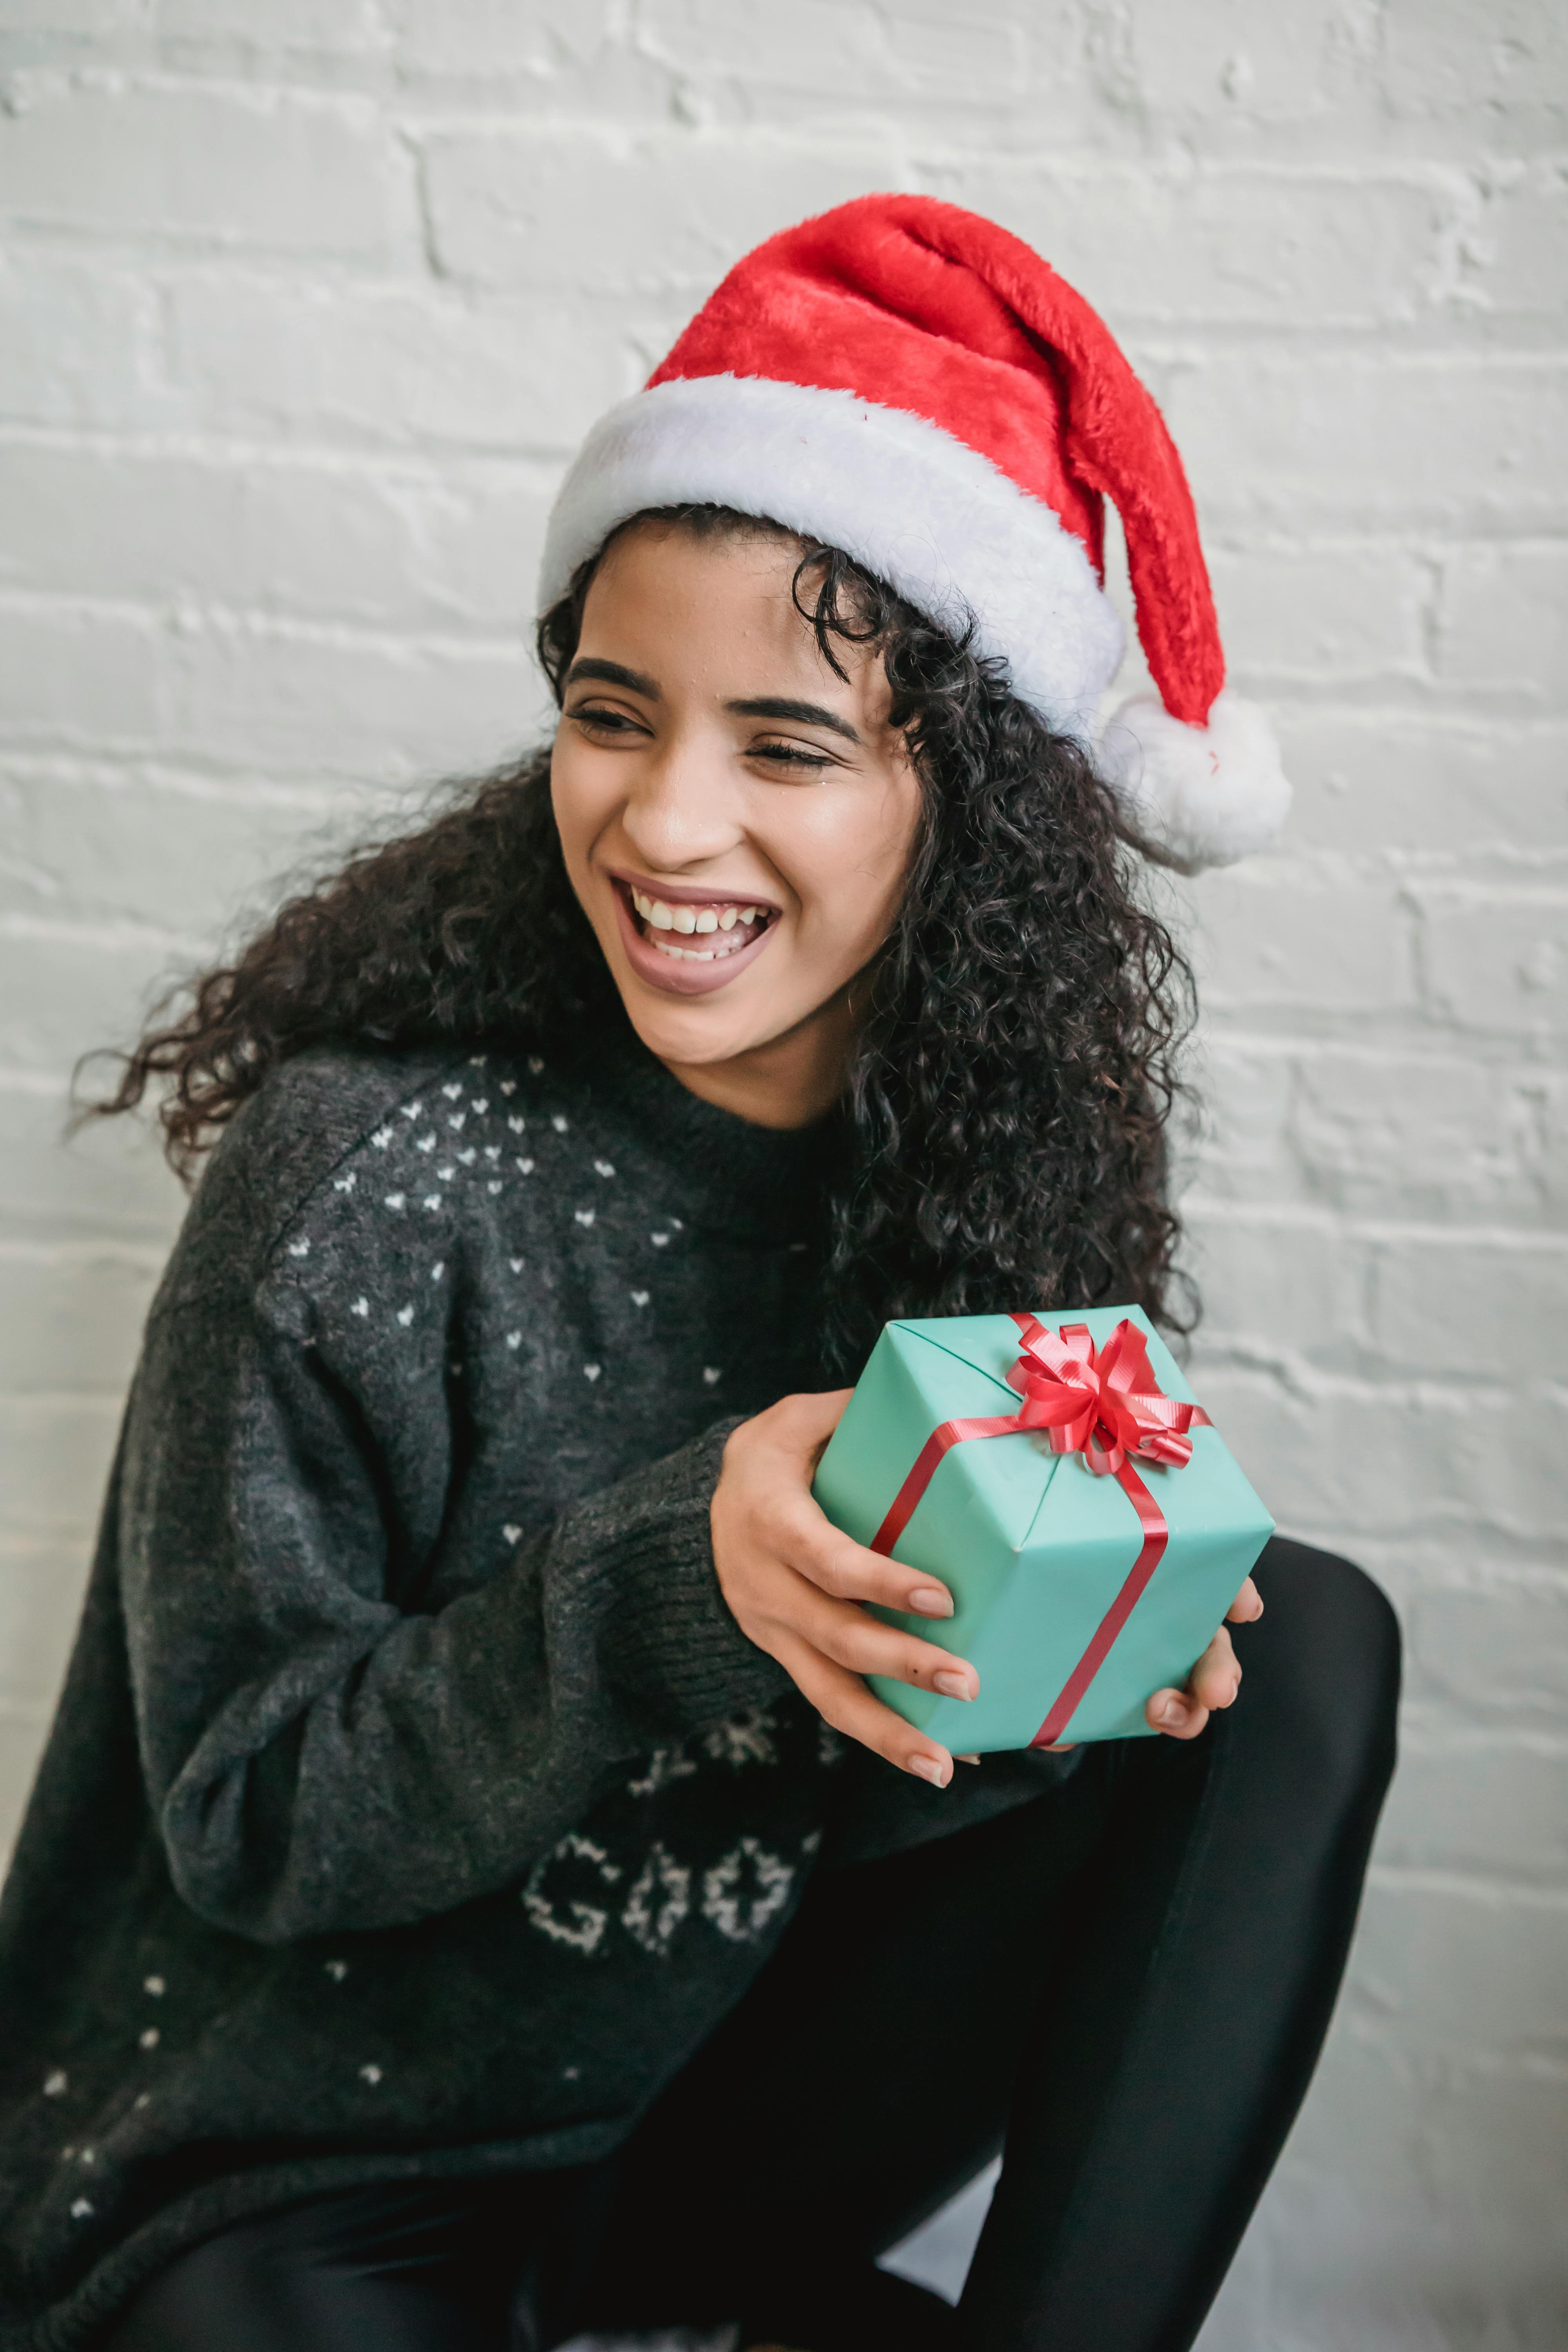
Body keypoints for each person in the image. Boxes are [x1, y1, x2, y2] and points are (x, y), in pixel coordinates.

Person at [0, 197, 1398, 2352]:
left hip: (692, 2116)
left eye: (789, 743)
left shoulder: (990, 1168)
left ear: (972, 802)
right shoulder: (370, 1175)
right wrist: (676, 1584)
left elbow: (888, 1786)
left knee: (1302, 1645)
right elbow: (251, 1827)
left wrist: (1081, 1688)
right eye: (614, 714)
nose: (663, 825)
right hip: (286, 2169)